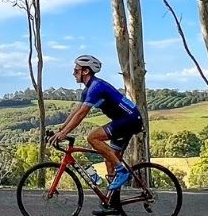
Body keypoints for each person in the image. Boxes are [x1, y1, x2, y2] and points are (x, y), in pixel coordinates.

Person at [49, 54, 144, 195]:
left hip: (129, 120)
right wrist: (60, 130)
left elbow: (82, 114)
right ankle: (112, 201)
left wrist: (64, 134)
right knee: (110, 159)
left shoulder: (96, 87)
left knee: (92, 137)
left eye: (76, 70)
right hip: (124, 120)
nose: (73, 73)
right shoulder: (87, 90)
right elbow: (76, 111)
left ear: (85, 71)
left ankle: (122, 171)